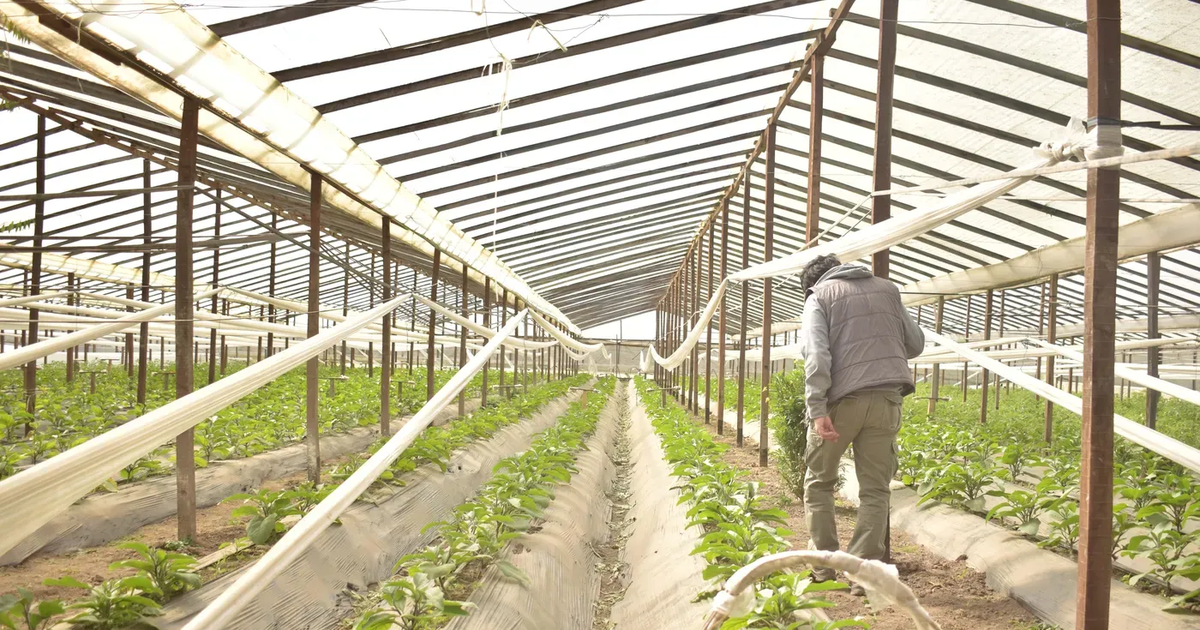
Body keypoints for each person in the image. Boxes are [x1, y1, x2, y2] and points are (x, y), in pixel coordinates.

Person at [798, 254, 925, 593]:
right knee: (875, 489)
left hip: (841, 403)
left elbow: (816, 355)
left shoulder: (819, 297)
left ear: (814, 282)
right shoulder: (888, 290)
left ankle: (825, 570)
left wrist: (816, 408)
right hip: (887, 399)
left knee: (819, 483)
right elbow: (915, 344)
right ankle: (864, 575)